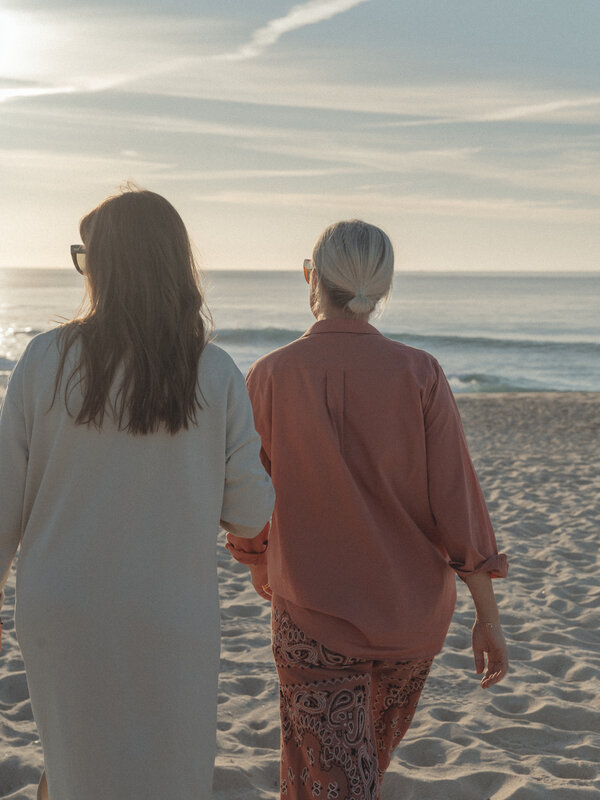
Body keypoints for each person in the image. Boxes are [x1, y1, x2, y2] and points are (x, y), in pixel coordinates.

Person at [0, 187, 274, 800]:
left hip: (62, 607)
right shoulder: (214, 371)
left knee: (76, 770)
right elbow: (250, 512)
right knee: (167, 776)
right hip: (167, 614)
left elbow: (2, 503)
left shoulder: (44, 359)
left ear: (105, 267)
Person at [226, 220, 509, 799]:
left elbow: (246, 493)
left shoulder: (271, 374)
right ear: (382, 289)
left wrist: (258, 561)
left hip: (312, 615)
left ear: (310, 277)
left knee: (332, 782)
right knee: (352, 778)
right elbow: (458, 502)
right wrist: (488, 614)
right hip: (412, 621)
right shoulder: (420, 372)